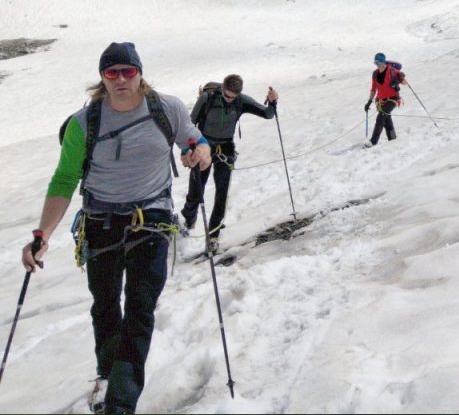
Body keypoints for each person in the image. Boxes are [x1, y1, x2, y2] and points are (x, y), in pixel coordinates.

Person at [21, 42, 211, 415]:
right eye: (112, 73)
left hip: (152, 218)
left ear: (140, 73)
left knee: (140, 306)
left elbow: (193, 138)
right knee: (106, 305)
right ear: (102, 78)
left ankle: (119, 404)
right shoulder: (84, 123)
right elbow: (64, 180)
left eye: (128, 71)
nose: (122, 79)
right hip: (100, 222)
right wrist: (41, 234)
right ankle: (107, 376)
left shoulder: (166, 108)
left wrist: (199, 150)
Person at [180, 74, 278, 247]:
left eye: (233, 97)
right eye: (226, 95)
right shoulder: (207, 98)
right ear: (222, 88)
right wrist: (187, 149)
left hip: (226, 149)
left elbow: (268, 114)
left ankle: (213, 236)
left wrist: (272, 102)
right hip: (204, 147)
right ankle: (188, 221)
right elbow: (189, 125)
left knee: (221, 196)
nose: (229, 100)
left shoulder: (241, 101)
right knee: (196, 190)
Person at [364, 53, 405, 146]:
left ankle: (373, 142)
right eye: (375, 63)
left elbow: (404, 82)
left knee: (381, 116)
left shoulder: (392, 71)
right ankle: (393, 138)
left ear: (383, 62)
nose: (377, 65)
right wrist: (369, 102)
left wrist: (400, 79)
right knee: (387, 119)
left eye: (378, 63)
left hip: (393, 99)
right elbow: (373, 89)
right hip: (380, 101)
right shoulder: (375, 74)